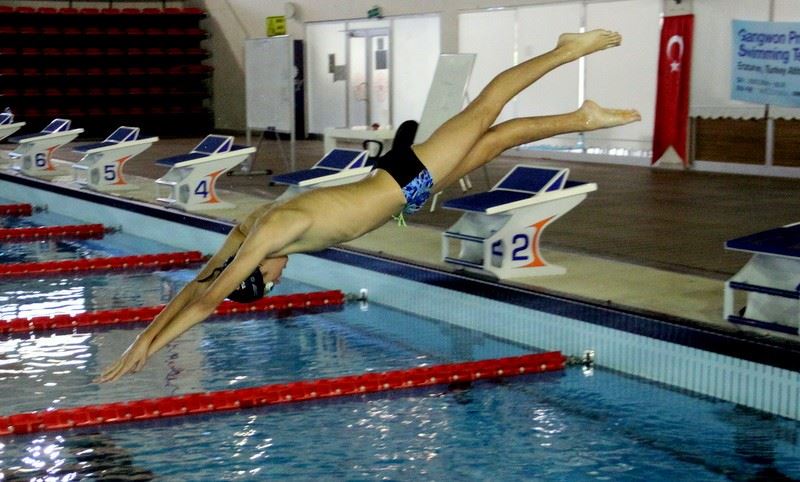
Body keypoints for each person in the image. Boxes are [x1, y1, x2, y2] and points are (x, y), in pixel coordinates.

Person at [98, 29, 640, 383]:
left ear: (256, 272)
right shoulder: (248, 231)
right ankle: (580, 116)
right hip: (404, 184)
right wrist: (147, 335)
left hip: (406, 178)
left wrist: (148, 344)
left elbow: (206, 298)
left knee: (487, 110)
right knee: (499, 138)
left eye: (270, 282)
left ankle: (567, 50)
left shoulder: (268, 236)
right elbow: (200, 283)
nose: (280, 280)